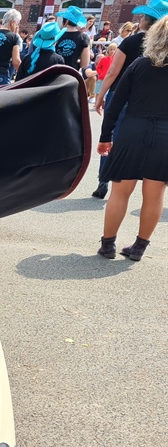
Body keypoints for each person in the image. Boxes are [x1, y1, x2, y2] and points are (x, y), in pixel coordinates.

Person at [96, 14, 168, 262]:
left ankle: (108, 244)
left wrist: (105, 136)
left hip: (132, 129)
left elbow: (116, 104)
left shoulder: (139, 65)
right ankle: (139, 247)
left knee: (121, 190)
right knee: (154, 194)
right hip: (165, 134)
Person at [92, 0, 168, 198]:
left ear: (146, 21)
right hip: (149, 102)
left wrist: (100, 95)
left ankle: (104, 180)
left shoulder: (131, 41)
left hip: (121, 93)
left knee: (110, 137)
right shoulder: (164, 47)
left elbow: (112, 72)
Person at [55, 6, 91, 72]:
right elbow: (84, 64)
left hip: (54, 71)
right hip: (72, 73)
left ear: (65, 21)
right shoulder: (84, 38)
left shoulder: (56, 35)